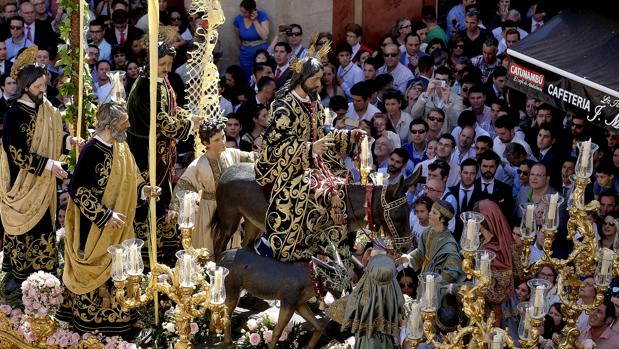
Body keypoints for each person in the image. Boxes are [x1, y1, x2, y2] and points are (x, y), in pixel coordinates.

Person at [255, 43, 365, 262]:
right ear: (301, 79)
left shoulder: (313, 99)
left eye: (321, 78)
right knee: (314, 192)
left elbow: (322, 131)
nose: (319, 83)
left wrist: (347, 136)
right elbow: (277, 142)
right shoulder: (283, 105)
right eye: (314, 79)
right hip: (286, 162)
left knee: (343, 180)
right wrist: (308, 148)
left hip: (314, 158)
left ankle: (332, 243)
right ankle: (293, 245)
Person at [58, 102, 158, 335]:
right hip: (94, 229)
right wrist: (104, 215)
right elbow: (79, 191)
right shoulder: (92, 150)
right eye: (124, 122)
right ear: (109, 125)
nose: (129, 125)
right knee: (98, 271)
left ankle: (119, 321)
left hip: (119, 228)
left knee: (118, 270)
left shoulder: (121, 147)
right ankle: (92, 324)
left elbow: (132, 176)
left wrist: (143, 190)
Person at [0, 48, 79, 291]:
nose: (42, 91)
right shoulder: (14, 113)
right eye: (37, 87)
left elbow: (55, 137)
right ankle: (18, 273)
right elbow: (17, 152)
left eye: (44, 86)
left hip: (44, 183)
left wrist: (68, 142)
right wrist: (48, 164)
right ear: (25, 87)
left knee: (44, 225)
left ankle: (42, 274)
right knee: (21, 229)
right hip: (21, 182)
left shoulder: (47, 108)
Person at [126, 40, 201, 264]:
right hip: (145, 154)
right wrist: (189, 126)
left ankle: (165, 249)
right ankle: (148, 254)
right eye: (162, 64)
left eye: (169, 63)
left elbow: (171, 108)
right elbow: (162, 123)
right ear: (150, 62)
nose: (166, 68)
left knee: (163, 198)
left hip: (162, 153)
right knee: (149, 200)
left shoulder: (161, 81)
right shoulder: (145, 86)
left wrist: (187, 116)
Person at [168, 117, 254, 252]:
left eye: (223, 137)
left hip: (230, 210)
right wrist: (174, 207)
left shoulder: (233, 154)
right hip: (208, 211)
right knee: (208, 249)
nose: (222, 142)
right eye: (217, 140)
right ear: (206, 143)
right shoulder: (199, 165)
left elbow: (253, 158)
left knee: (231, 249)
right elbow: (184, 185)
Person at [475, 199, 522, 325]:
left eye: (475, 218)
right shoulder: (481, 240)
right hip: (482, 302)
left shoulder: (497, 249)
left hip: (497, 308)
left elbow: (497, 289)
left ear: (484, 221)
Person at [402, 200, 465, 285]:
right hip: (425, 275)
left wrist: (435, 284)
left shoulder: (449, 245)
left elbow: (452, 272)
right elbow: (421, 252)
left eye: (434, 213)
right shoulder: (428, 232)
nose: (430, 214)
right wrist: (408, 258)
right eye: (431, 211)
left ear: (442, 219)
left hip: (435, 285)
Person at [233, 0, 269, 81]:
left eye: (245, 12)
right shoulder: (238, 19)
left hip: (260, 52)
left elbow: (265, 36)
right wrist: (241, 50)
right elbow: (238, 38)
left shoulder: (261, 15)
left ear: (252, 11)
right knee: (247, 77)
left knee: (261, 76)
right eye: (241, 11)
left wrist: (255, 20)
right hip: (245, 53)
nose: (242, 14)